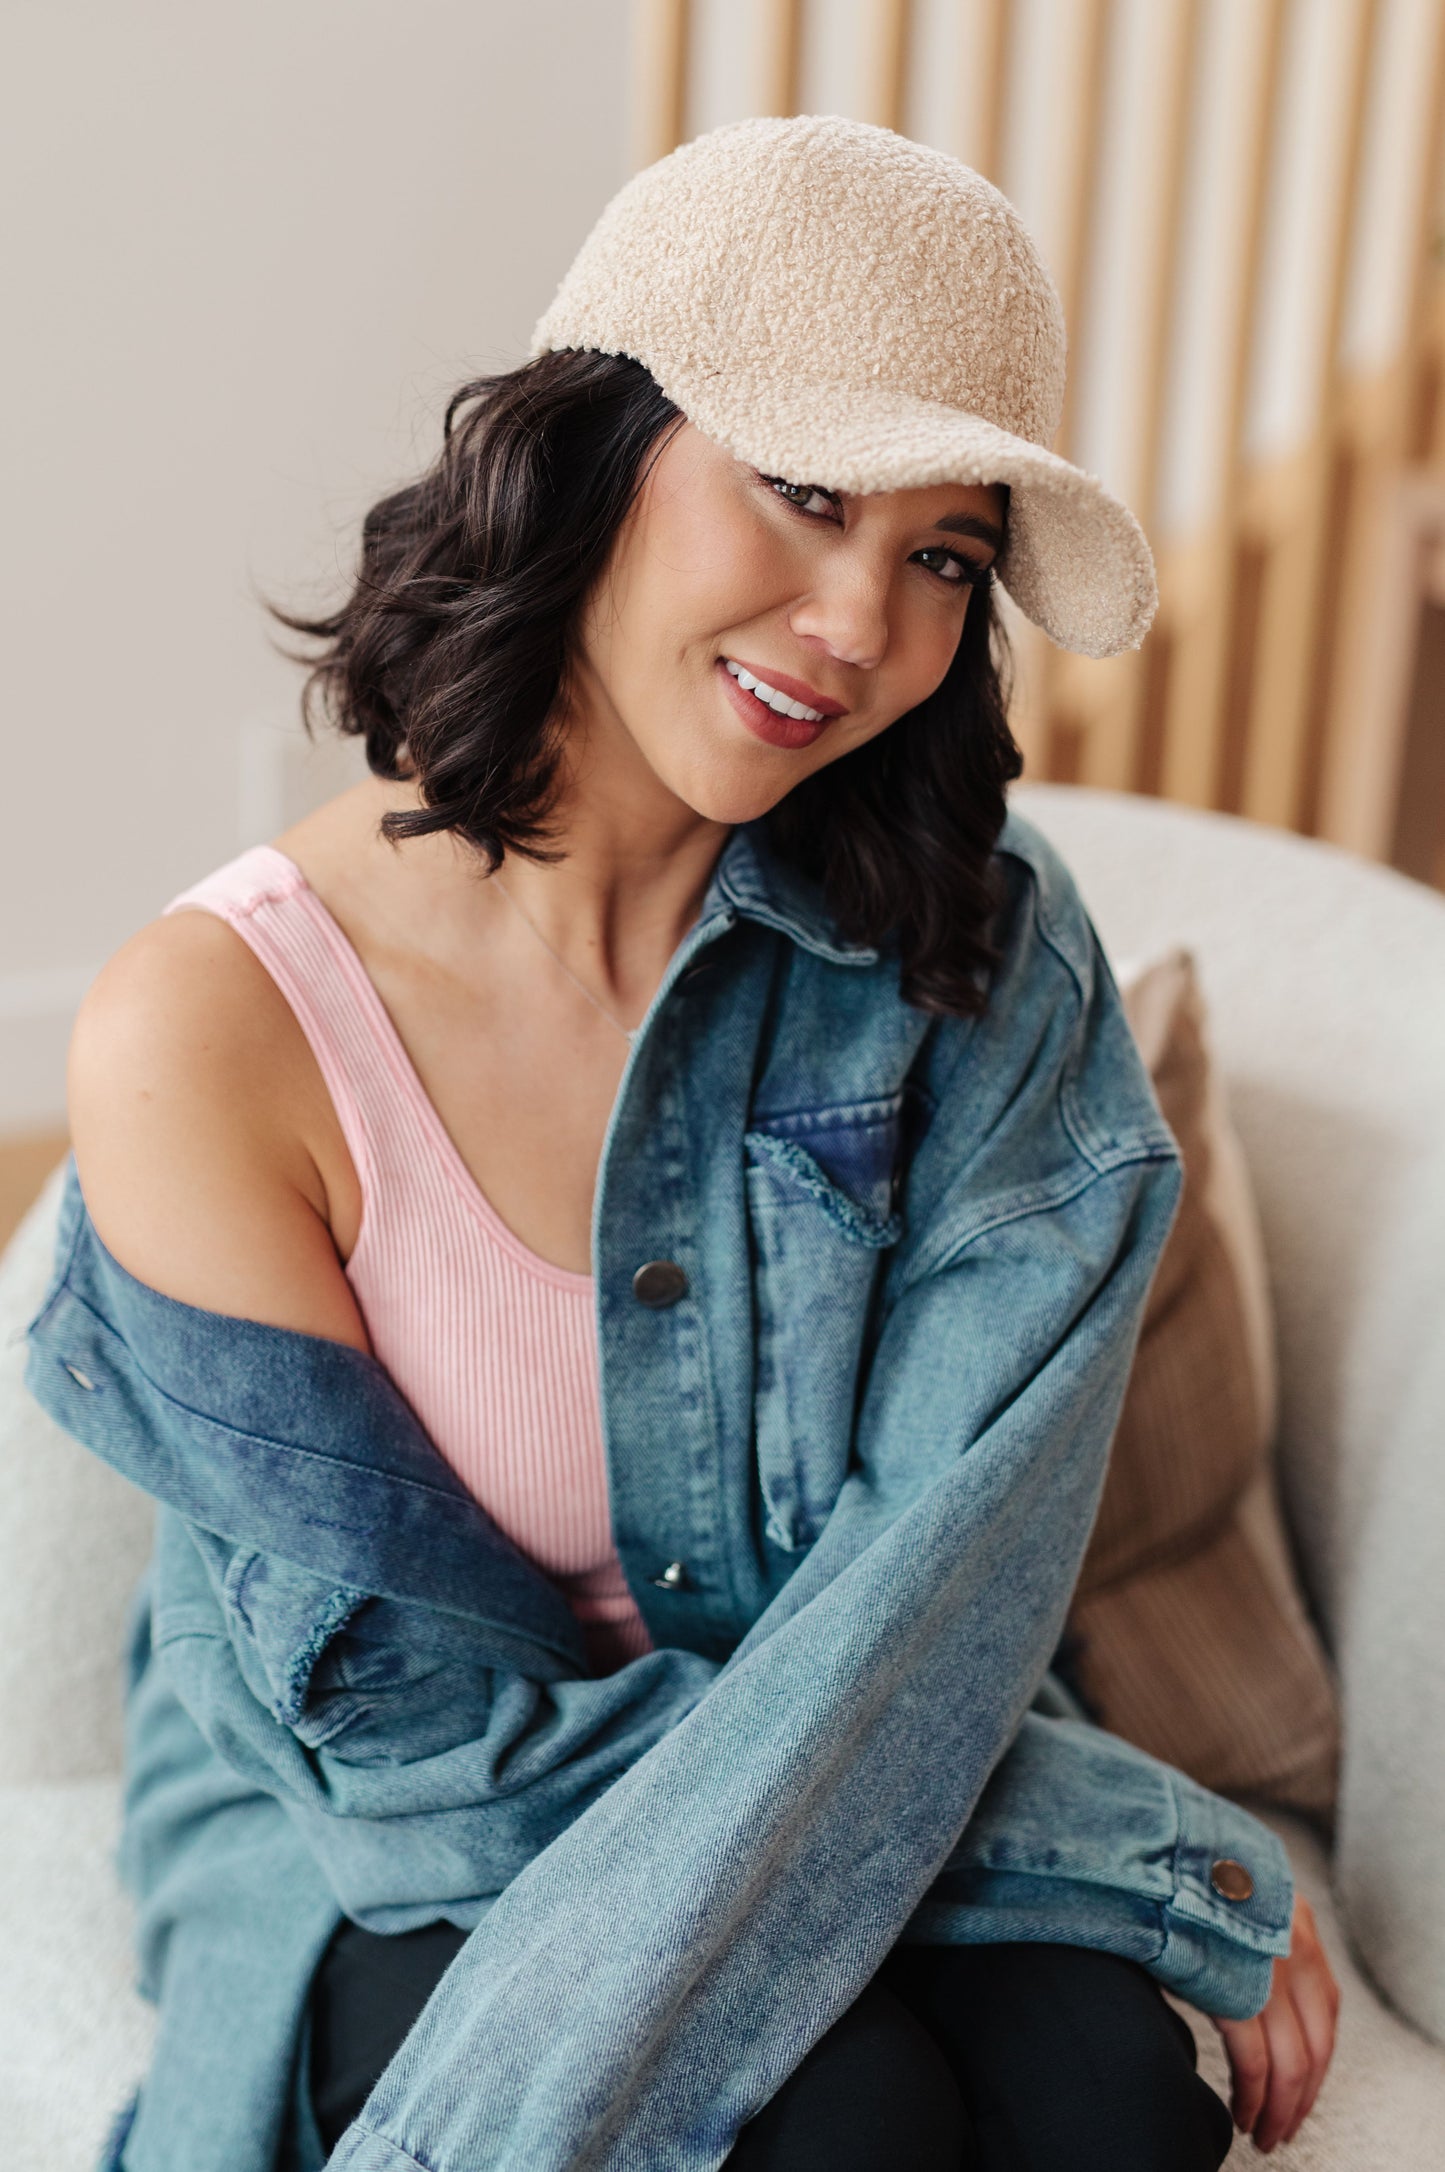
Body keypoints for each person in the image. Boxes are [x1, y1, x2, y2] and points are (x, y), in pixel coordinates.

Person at [42, 117, 1337, 2170]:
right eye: (803, 488)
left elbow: (947, 1579)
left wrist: (1080, 1874)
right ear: (590, 452)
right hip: (374, 1823)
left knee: (1109, 2096)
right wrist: (1134, 1841)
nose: (855, 622)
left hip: (872, 1728)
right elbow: (402, 1740)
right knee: (844, 2120)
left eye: (943, 554)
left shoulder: (987, 966)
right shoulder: (211, 1033)